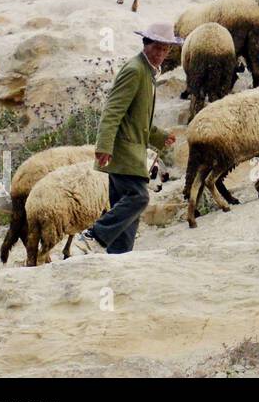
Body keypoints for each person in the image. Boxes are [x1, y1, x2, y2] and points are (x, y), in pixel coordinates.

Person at [71, 23, 179, 255]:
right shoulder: (135, 70)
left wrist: (160, 137)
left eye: (165, 49)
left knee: (128, 219)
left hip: (132, 152)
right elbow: (113, 110)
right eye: (157, 48)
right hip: (122, 153)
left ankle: (119, 260)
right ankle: (94, 234)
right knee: (138, 198)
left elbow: (137, 119)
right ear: (146, 44)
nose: (161, 54)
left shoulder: (148, 73)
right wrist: (104, 146)